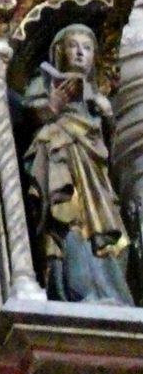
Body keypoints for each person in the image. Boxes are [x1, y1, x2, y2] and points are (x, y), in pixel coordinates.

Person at [21, 24, 133, 305]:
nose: (81, 53)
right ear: (60, 51)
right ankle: (81, 290)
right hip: (62, 163)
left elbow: (109, 147)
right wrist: (54, 106)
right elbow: (31, 114)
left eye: (87, 48)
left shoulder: (97, 94)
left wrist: (107, 116)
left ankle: (111, 291)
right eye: (74, 46)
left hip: (95, 176)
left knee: (107, 225)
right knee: (69, 220)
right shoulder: (43, 84)